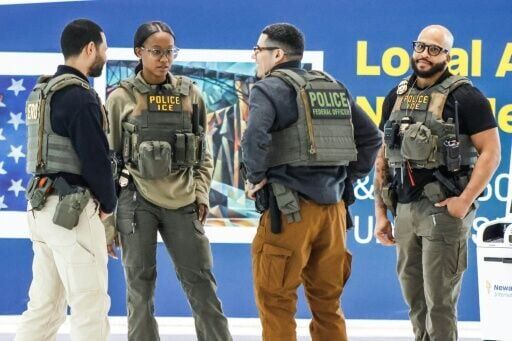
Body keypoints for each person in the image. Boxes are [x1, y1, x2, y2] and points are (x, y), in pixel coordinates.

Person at [242, 23, 382, 341]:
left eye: (258, 51)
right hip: (333, 214)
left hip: (288, 212)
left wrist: (256, 179)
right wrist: (348, 180)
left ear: (277, 54)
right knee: (328, 303)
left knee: (276, 301)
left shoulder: (268, 88)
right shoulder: (332, 85)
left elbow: (254, 140)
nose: (256, 58)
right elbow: (372, 138)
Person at [105, 21, 232, 341]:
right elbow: (110, 161)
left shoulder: (190, 94)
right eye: (156, 52)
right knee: (139, 288)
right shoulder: (121, 98)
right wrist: (108, 223)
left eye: (170, 52)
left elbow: (204, 153)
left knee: (202, 284)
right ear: (139, 52)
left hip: (183, 200)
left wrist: (201, 194)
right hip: (135, 200)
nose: (164, 59)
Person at [374, 25, 501, 341]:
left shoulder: (465, 97)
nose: (424, 55)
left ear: (448, 55)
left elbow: (491, 153)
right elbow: (383, 158)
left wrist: (465, 200)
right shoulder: (397, 95)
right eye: (420, 46)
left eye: (434, 49)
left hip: (443, 211)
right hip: (404, 209)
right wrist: (380, 213)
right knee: (414, 299)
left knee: (440, 302)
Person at [16, 19, 116, 341]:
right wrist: (108, 204)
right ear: (90, 48)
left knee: (45, 308)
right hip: (72, 213)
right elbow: (96, 159)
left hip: (41, 210)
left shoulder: (41, 92)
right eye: (104, 48)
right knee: (90, 306)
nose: (105, 55)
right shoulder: (80, 97)